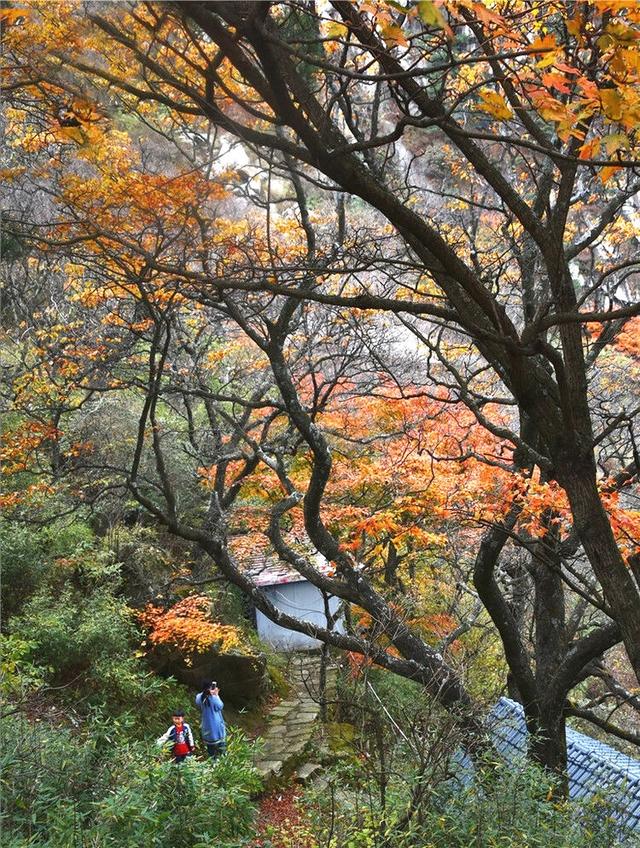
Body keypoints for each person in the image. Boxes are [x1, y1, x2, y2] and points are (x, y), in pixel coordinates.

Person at [195, 680, 226, 759]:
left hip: (206, 725)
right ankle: (224, 760)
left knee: (210, 748)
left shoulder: (199, 697)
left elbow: (198, 702)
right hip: (216, 725)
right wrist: (216, 695)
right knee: (221, 745)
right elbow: (220, 706)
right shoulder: (213, 698)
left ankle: (213, 762)